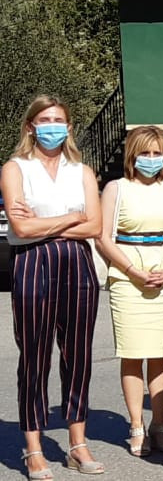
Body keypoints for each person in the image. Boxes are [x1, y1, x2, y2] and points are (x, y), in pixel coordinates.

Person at [3, 96, 104, 479]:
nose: (52, 126)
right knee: (35, 355)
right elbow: (22, 229)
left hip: (77, 261)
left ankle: (77, 442)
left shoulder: (82, 171)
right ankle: (33, 446)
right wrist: (71, 216)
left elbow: (94, 227)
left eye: (59, 119)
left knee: (77, 353)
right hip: (32, 263)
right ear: (30, 126)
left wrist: (48, 221)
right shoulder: (16, 169)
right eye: (44, 119)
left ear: (70, 127)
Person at [96, 125, 163, 457]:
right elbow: (103, 237)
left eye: (157, 153)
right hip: (127, 276)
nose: (151, 159)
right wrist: (133, 271)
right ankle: (137, 427)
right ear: (133, 155)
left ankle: (160, 427)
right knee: (133, 354)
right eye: (145, 153)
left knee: (160, 353)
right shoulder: (116, 188)